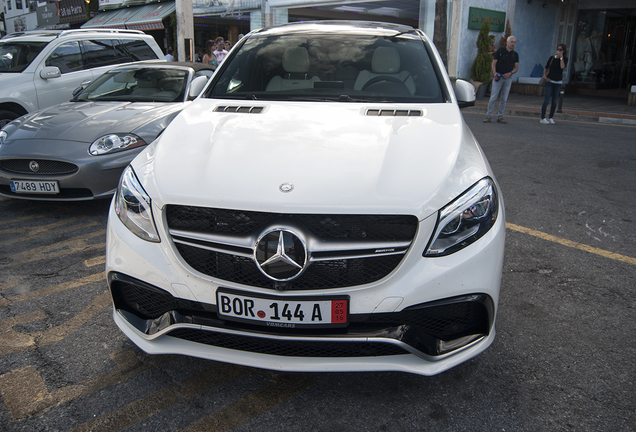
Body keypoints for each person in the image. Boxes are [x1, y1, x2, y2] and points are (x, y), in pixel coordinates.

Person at [484, 36, 519, 124]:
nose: (513, 44)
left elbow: (516, 68)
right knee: (493, 97)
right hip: (498, 77)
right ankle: (489, 115)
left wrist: (510, 73)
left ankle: (500, 116)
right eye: (511, 42)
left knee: (504, 98)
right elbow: (494, 63)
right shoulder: (500, 51)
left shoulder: (515, 54)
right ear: (507, 42)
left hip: (508, 78)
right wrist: (495, 73)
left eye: (514, 42)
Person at [539, 44, 568, 125]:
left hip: (558, 82)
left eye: (560, 49)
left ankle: (551, 117)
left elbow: (562, 67)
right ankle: (543, 117)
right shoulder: (552, 58)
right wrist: (545, 76)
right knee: (547, 100)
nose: (558, 51)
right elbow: (546, 67)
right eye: (557, 49)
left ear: (563, 51)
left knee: (554, 101)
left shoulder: (564, 59)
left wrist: (561, 57)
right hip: (550, 81)